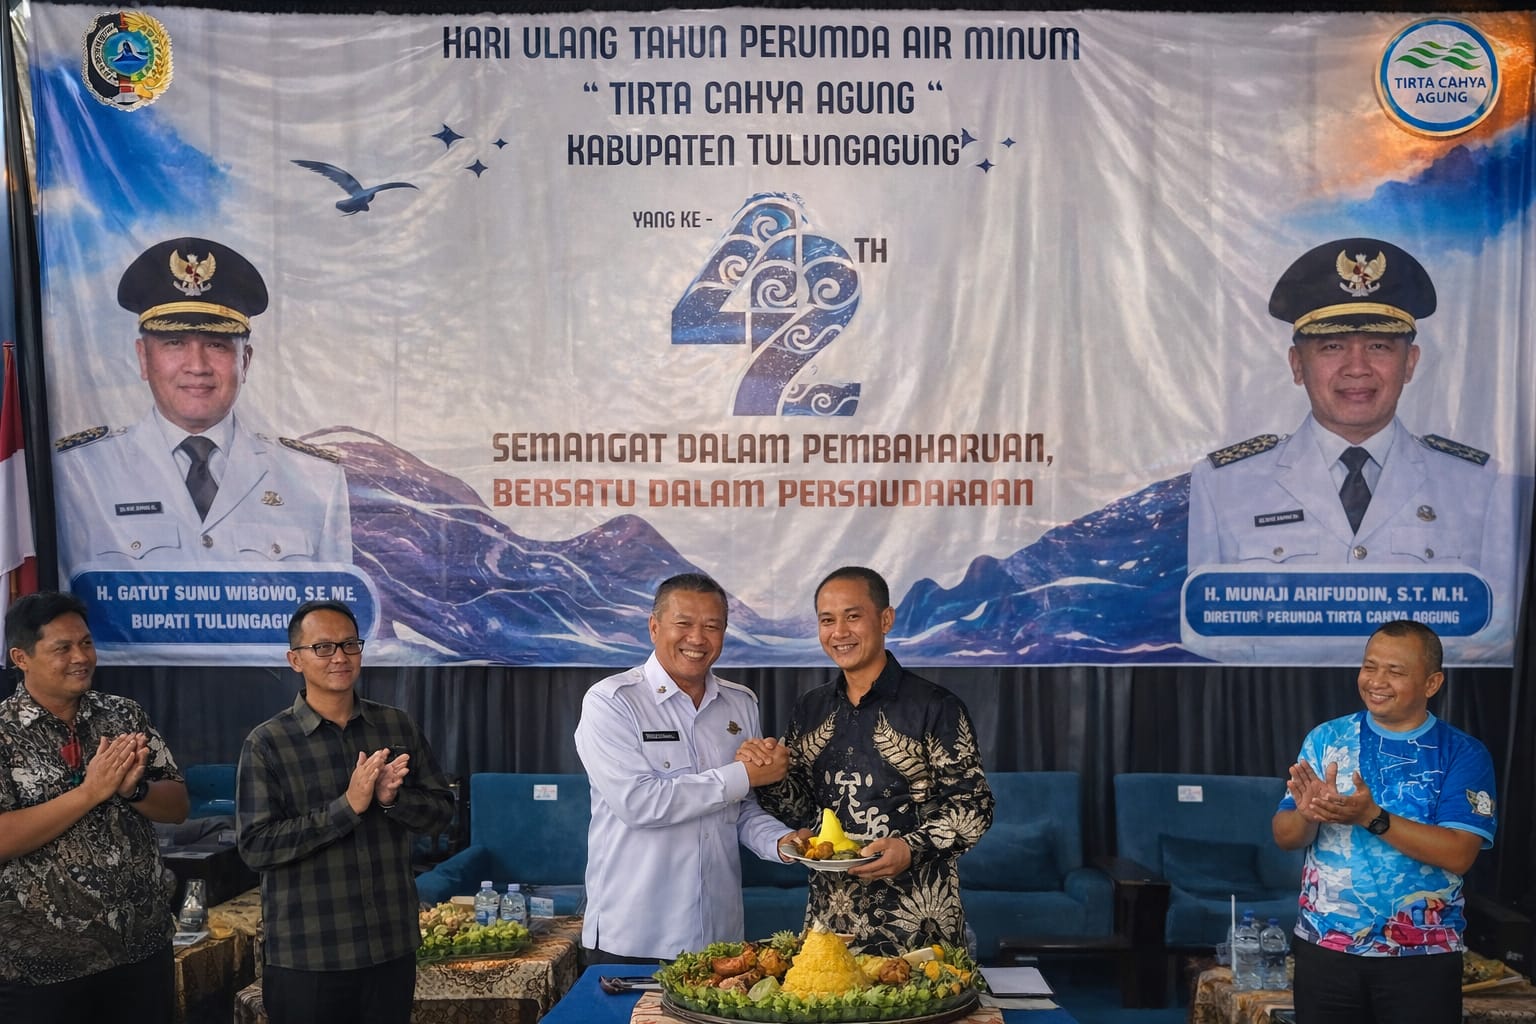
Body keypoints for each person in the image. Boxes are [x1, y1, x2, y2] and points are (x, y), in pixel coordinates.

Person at [1186, 237, 1513, 660]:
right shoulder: (1224, 485)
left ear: (1410, 363)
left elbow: (1494, 638)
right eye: (1332, 346)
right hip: (1280, 701)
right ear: (1297, 365)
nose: (1357, 368)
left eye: (1378, 346)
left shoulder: (1478, 485)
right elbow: (1209, 641)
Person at [53, 236, 351, 575]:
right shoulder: (79, 474)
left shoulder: (316, 481)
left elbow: (333, 608)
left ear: (245, 361)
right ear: (143, 358)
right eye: (174, 342)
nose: (197, 366)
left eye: (216, 345)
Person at [744, 566, 994, 957]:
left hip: (919, 927)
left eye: (853, 616)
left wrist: (910, 848)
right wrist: (770, 774)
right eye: (827, 620)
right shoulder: (810, 709)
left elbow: (974, 807)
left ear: (886, 619)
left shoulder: (935, 706)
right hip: (830, 925)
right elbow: (801, 811)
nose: (839, 632)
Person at [236, 599, 453, 1024]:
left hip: (390, 948)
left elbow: (442, 814)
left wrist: (392, 800)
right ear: (295, 660)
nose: (340, 657)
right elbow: (256, 847)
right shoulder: (268, 743)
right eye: (323, 647)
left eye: (350, 644)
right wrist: (348, 807)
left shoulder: (396, 726)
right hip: (309, 956)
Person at [1272, 620, 1496, 1023]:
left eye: (1395, 671)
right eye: (1369, 666)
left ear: (1432, 683)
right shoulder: (1327, 738)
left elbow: (1459, 854)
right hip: (1325, 949)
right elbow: (1285, 836)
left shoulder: (1462, 753)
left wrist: (1371, 817)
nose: (1377, 681)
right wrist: (1306, 816)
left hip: (1421, 954)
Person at [574, 572, 797, 965]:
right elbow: (639, 803)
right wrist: (744, 775)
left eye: (712, 626)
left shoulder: (740, 703)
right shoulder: (612, 702)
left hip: (720, 936)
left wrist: (782, 843)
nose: (697, 638)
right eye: (684, 623)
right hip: (635, 937)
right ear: (654, 627)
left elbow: (740, 808)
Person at [0, 591, 189, 1021]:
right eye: (62, 648)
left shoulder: (123, 716)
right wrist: (90, 792)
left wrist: (134, 791)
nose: (81, 657)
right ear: (21, 657)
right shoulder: (4, 733)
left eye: (86, 643)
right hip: (42, 969)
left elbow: (178, 806)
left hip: (140, 950)